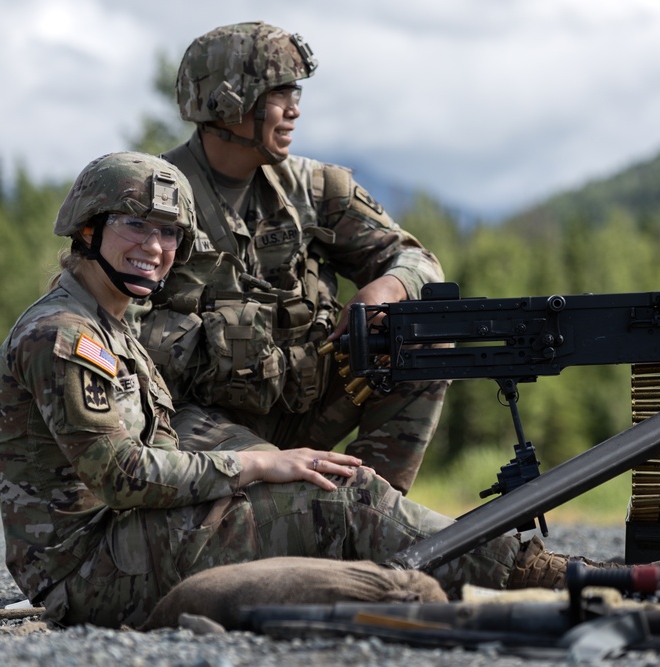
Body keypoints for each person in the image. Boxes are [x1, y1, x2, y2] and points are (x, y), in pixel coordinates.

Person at [0, 151, 609, 630]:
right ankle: (548, 577)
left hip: (121, 544)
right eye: (134, 225)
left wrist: (261, 471)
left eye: (169, 232)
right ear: (88, 230)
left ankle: (515, 572)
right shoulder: (64, 335)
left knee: (334, 492)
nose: (154, 247)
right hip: (91, 572)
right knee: (340, 501)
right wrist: (257, 465)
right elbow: (120, 475)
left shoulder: (108, 322)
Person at [129, 21, 447, 495]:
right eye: (279, 93)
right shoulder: (153, 196)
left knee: (423, 337)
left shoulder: (318, 189)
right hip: (199, 420)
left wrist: (390, 286)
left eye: (295, 93)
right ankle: (342, 514)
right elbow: (103, 319)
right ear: (228, 102)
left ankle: (375, 505)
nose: (295, 109)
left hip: (309, 400)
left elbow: (415, 259)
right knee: (282, 492)